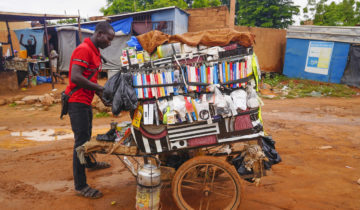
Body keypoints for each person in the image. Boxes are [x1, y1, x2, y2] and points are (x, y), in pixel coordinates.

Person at [64, 21, 114, 199]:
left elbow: (89, 78)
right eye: (108, 39)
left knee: (87, 136)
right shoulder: (84, 49)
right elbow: (76, 77)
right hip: (76, 102)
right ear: (99, 34)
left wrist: (101, 97)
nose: (110, 43)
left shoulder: (95, 52)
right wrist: (100, 90)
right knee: (80, 144)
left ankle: (90, 163)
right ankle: (80, 186)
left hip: (85, 101)